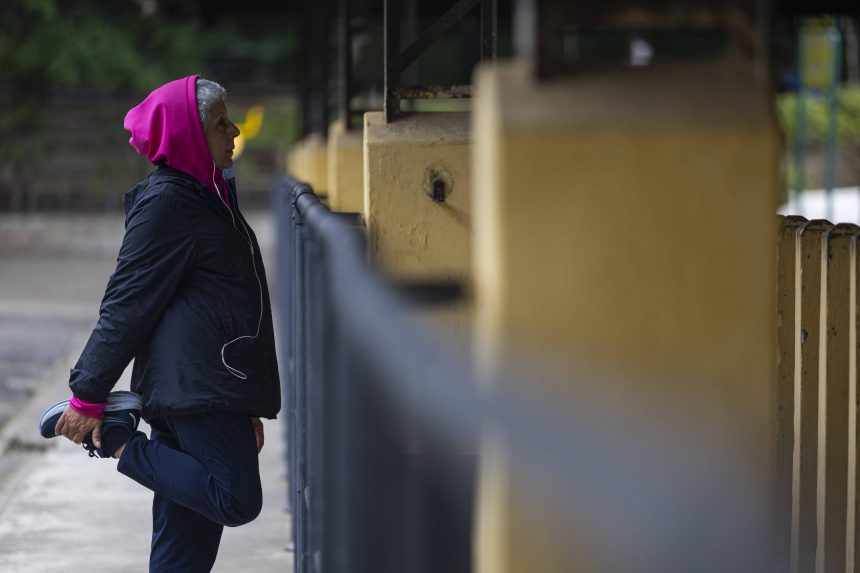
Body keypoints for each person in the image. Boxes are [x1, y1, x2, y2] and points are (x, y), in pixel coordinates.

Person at [38, 76, 281, 572]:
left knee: (181, 552)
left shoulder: (207, 195)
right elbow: (126, 304)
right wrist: (88, 396)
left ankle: (117, 432)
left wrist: (246, 404)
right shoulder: (170, 203)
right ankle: (115, 436)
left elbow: (225, 299)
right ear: (189, 136)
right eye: (220, 124)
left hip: (209, 386)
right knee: (235, 498)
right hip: (198, 388)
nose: (234, 131)